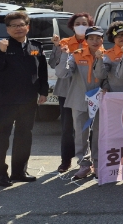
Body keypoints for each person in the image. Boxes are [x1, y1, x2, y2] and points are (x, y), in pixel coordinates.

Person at [0, 11, 48, 187]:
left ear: (27, 27)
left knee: (24, 137)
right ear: (7, 29)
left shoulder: (35, 46)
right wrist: (1, 52)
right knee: (1, 138)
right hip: (6, 101)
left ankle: (19, 172)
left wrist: (43, 92)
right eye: (13, 26)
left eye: (21, 25)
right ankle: (0, 174)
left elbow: (42, 70)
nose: (18, 28)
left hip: (28, 100)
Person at [56, 26, 104, 180]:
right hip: (79, 100)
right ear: (86, 40)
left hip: (100, 100)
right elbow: (62, 73)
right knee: (81, 133)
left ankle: (98, 163)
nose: (95, 41)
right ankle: (84, 164)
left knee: (99, 133)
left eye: (98, 38)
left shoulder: (107, 55)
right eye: (91, 38)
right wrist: (64, 55)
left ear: (102, 40)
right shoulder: (76, 55)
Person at [49, 12, 92, 173]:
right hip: (66, 90)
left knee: (87, 128)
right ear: (72, 26)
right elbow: (53, 63)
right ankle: (65, 160)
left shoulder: (93, 42)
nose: (81, 26)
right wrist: (57, 48)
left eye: (84, 23)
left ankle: (87, 161)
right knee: (67, 128)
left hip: (86, 90)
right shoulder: (64, 42)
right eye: (78, 23)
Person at [96, 21, 123, 92]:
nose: (122, 37)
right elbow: (103, 76)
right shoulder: (108, 54)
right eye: (118, 35)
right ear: (113, 38)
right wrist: (106, 87)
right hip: (115, 95)